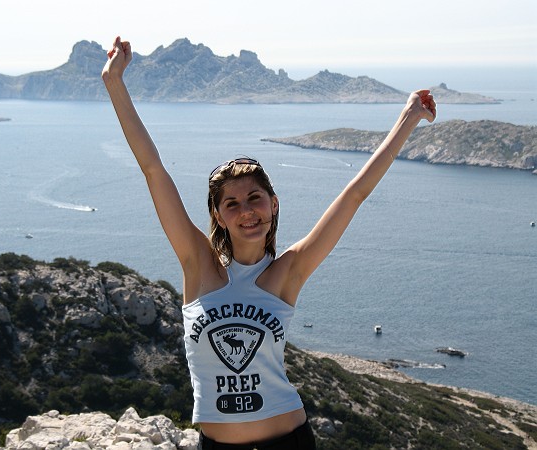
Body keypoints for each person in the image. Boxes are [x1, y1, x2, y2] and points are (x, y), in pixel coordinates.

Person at [102, 36, 436, 450]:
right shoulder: (197, 264)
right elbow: (153, 170)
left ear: (273, 204)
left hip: (289, 441)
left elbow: (354, 195)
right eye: (232, 203)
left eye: (255, 198)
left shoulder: (289, 270)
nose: (246, 211)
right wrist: (115, 83)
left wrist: (408, 118)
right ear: (219, 216)